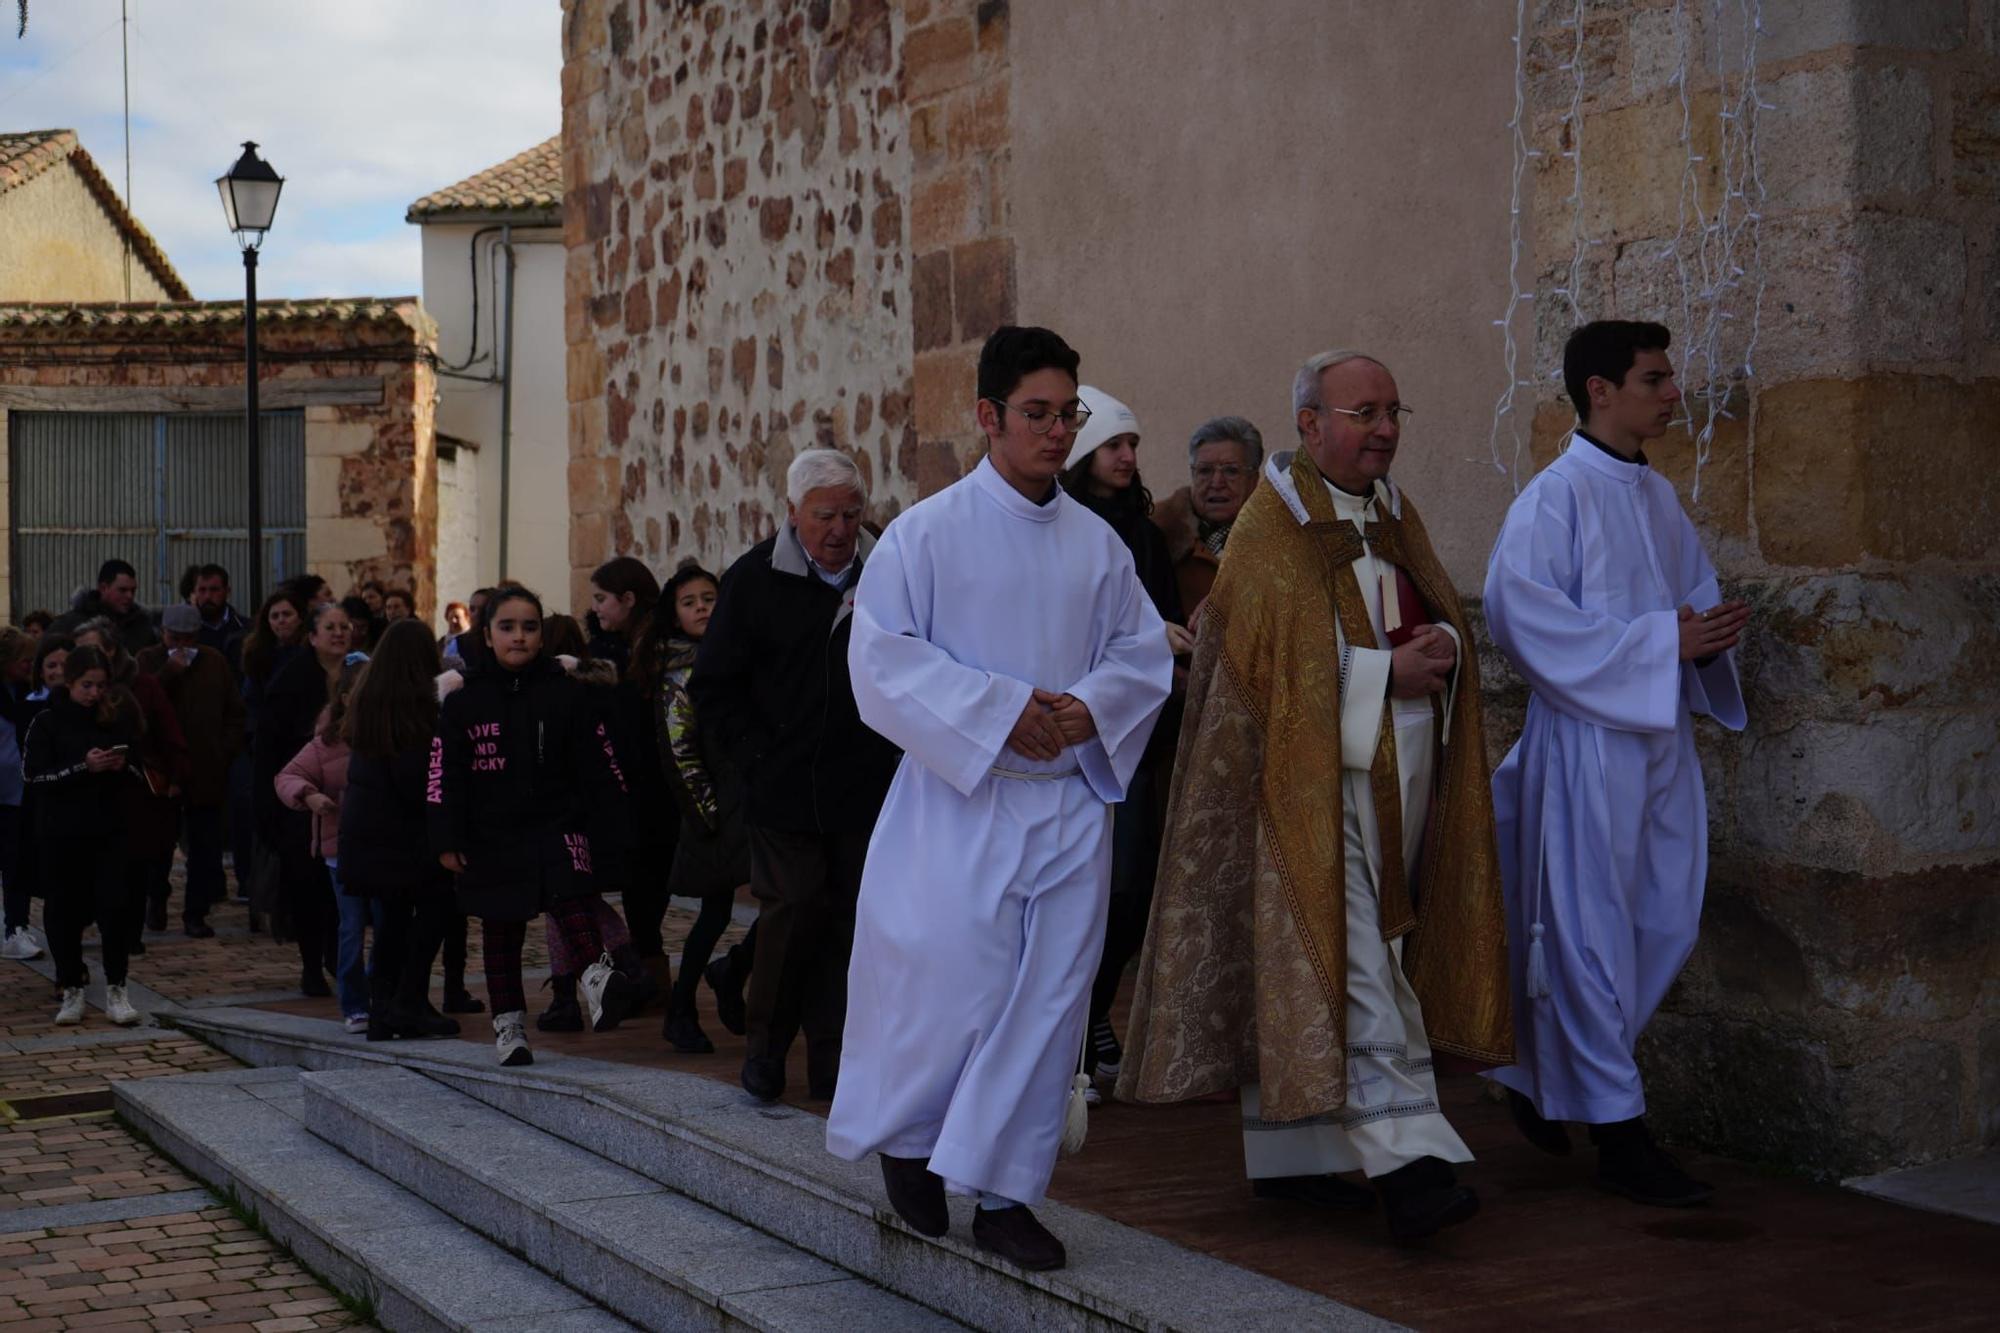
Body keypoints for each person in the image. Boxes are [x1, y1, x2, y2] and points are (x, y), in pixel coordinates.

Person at [1116, 347, 1513, 1244]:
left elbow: (1421, 604)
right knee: (1357, 963)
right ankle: (1411, 1167)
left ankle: (1295, 1162)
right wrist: (1385, 673)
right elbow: (1261, 677)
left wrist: (1445, 643)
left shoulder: (1391, 510)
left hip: (1400, 776)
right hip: (1308, 791)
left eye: (1394, 412)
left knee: (1322, 969)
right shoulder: (1272, 526)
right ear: (1309, 424)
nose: (1383, 430)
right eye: (1364, 412)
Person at [824, 326, 1174, 1271]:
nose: (1058, 432)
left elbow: (1142, 658)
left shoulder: (1098, 546)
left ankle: (1008, 1193)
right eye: (1037, 413)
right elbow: (882, 663)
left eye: (1068, 415)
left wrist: (1087, 710)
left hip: (1064, 807)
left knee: (1051, 1004)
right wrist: (1000, 711)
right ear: (987, 416)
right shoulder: (924, 535)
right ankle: (910, 1139)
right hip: (957, 800)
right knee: (950, 989)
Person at [1482, 321, 1748, 1207]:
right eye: (1654, 378)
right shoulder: (1552, 499)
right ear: (1600, 390)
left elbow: (1691, 595)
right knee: (1590, 934)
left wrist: (1704, 643)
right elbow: (1521, 620)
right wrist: (1659, 642)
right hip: (1591, 741)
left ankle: (1541, 1076)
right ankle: (1622, 1133)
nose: (1673, 393)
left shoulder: (1654, 495)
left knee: (1660, 919)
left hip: (1658, 734)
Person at [692, 449, 900, 1104]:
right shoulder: (754, 579)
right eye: (824, 515)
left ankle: (835, 1061)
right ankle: (766, 1047)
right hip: (781, 785)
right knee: (793, 910)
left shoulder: (889, 573)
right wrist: (756, 756)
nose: (839, 528)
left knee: (850, 920)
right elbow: (714, 688)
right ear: (792, 513)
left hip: (863, 784)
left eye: (850, 513)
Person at [427, 583, 641, 1066]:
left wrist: (614, 822)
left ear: (542, 636)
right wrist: (446, 836)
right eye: (507, 627)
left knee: (568, 891)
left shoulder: (568, 693)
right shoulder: (465, 701)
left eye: (529, 627)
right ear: (487, 635)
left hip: (557, 820)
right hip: (491, 832)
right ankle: (509, 1025)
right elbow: (443, 775)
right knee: (501, 929)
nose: (519, 637)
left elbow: (599, 763)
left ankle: (597, 976)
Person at [1056, 386, 1189, 1098]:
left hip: (1137, 732)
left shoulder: (1140, 530)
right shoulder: (1065, 528)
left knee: (1132, 888)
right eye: (1115, 445)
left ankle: (1095, 1006)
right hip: (1079, 735)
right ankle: (1074, 1024)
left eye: (1133, 446)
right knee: (1089, 888)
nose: (1129, 458)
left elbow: (1156, 609)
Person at [647, 561, 753, 1054]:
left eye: (708, 598)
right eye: (689, 602)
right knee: (713, 913)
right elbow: (680, 751)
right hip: (712, 813)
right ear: (674, 613)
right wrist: (710, 815)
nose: (701, 608)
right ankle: (682, 1006)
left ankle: (733, 969)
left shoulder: (735, 655)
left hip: (748, 802)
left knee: (789, 900)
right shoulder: (679, 675)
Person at [339, 621, 460, 1040]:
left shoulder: (371, 699)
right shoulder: (414, 706)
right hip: (403, 836)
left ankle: (385, 1008)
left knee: (392, 921)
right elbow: (419, 780)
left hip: (370, 834)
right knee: (433, 911)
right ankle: (406, 1001)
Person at [26, 645, 145, 1027]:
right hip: (61, 833)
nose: (94, 693)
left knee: (115, 908)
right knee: (63, 912)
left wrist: (122, 765)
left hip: (109, 830)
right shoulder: (46, 722)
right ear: (70, 682)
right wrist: (83, 767)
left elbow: (141, 774)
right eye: (86, 686)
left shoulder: (115, 720)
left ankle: (117, 987)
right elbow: (35, 776)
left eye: (100, 685)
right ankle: (71, 986)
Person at [585, 555, 675, 1001]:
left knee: (645, 886)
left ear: (628, 598)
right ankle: (651, 977)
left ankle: (652, 981)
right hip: (643, 788)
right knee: (643, 888)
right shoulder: (622, 647)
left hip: (653, 788)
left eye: (602, 599)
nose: (597, 608)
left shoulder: (650, 650)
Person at [71, 621, 187, 959]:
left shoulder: (140, 685)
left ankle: (130, 931)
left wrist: (176, 775)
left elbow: (165, 733)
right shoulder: (70, 695)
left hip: (133, 791)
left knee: (135, 865)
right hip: (87, 795)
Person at [257, 601, 355, 994]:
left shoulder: (357, 676)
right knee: (307, 887)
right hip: (301, 802)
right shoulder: (291, 680)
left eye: (344, 626)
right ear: (312, 636)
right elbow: (269, 749)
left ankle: (338, 957)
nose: (338, 633)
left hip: (346, 803)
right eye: (330, 627)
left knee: (341, 891)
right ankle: (312, 963)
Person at [138, 607, 246, 938]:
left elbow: (234, 712)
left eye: (189, 639)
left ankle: (196, 913)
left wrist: (223, 749)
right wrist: (168, 671)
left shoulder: (214, 661)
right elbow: (137, 704)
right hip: (162, 770)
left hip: (205, 769)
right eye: (175, 638)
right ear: (163, 634)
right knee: (158, 846)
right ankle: (156, 899)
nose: (182, 645)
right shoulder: (147, 659)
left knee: (204, 848)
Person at [276, 665, 368, 1029]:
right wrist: (309, 796)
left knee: (394, 922)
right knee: (352, 925)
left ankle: (384, 988)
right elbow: (287, 776)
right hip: (341, 847)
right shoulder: (327, 741)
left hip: (384, 845)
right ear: (346, 698)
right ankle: (355, 1003)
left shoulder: (393, 733)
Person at [1152, 416, 1264, 622]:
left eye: (1231, 471)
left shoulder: (1282, 540)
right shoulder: (1156, 535)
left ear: (1254, 479)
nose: (1217, 482)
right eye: (1205, 471)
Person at [0, 629, 41, 960]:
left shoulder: (28, 693)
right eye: (25, 660)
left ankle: (16, 928)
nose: (31, 665)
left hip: (18, 791)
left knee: (17, 863)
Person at [49, 559, 159, 654]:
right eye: (122, 590)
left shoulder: (142, 626)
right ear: (103, 588)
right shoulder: (69, 624)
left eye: (133, 590)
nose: (130, 596)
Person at [187, 564, 249, 663]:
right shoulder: (183, 632)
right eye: (202, 590)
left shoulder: (246, 629)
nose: (207, 596)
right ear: (195, 592)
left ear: (227, 592)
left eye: (214, 590)